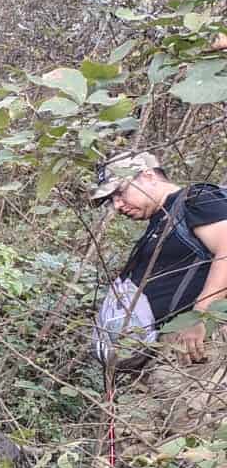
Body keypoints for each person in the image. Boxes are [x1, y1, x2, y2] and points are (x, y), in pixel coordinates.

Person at [90, 151, 227, 364]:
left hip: (198, 346)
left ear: (149, 176)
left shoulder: (196, 199)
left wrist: (200, 317)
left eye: (120, 192)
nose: (117, 205)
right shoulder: (161, 218)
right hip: (169, 350)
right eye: (111, 200)